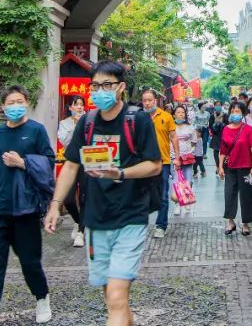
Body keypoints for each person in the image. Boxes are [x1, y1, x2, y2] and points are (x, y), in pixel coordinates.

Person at [45, 61, 162, 326]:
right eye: (95, 86)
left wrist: (119, 173)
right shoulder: (86, 123)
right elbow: (71, 165)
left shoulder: (137, 120)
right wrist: (54, 205)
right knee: (111, 297)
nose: (100, 91)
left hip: (130, 217)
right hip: (95, 221)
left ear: (120, 87)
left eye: (107, 85)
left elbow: (154, 165)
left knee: (118, 296)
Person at [0, 87, 55, 326]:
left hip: (25, 208)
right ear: (2, 107)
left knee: (30, 261)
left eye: (20, 101)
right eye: (10, 102)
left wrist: (23, 163)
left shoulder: (36, 130)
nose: (15, 106)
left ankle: (42, 297)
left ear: (27, 103)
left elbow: (49, 162)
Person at [141, 88, 179, 239]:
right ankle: (140, 225)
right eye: (144, 100)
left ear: (155, 101)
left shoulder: (166, 116)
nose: (147, 103)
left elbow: (174, 137)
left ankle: (160, 225)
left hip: (163, 162)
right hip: (143, 163)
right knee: (142, 195)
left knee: (163, 195)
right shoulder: (140, 117)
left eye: (149, 100)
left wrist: (177, 157)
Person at [218, 101, 252, 235]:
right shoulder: (225, 129)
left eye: (238, 112)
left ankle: (246, 223)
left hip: (246, 168)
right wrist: (220, 167)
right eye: (233, 111)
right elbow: (223, 150)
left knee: (247, 195)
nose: (235, 114)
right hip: (230, 167)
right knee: (229, 194)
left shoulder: (248, 129)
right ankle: (230, 222)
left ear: (243, 114)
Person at [56, 94, 88, 248]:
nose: (79, 107)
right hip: (71, 163)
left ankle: (81, 232)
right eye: (76, 104)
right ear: (70, 108)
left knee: (84, 198)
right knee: (68, 199)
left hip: (87, 163)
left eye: (81, 104)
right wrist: (75, 125)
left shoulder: (89, 121)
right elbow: (65, 141)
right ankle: (77, 221)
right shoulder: (64, 124)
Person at [172, 105, 198, 215]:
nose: (181, 114)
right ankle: (177, 204)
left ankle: (187, 201)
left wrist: (189, 152)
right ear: (174, 114)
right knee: (177, 181)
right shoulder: (171, 127)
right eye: (178, 112)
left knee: (188, 180)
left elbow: (194, 141)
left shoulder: (190, 127)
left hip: (187, 158)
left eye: (182, 112)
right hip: (174, 158)